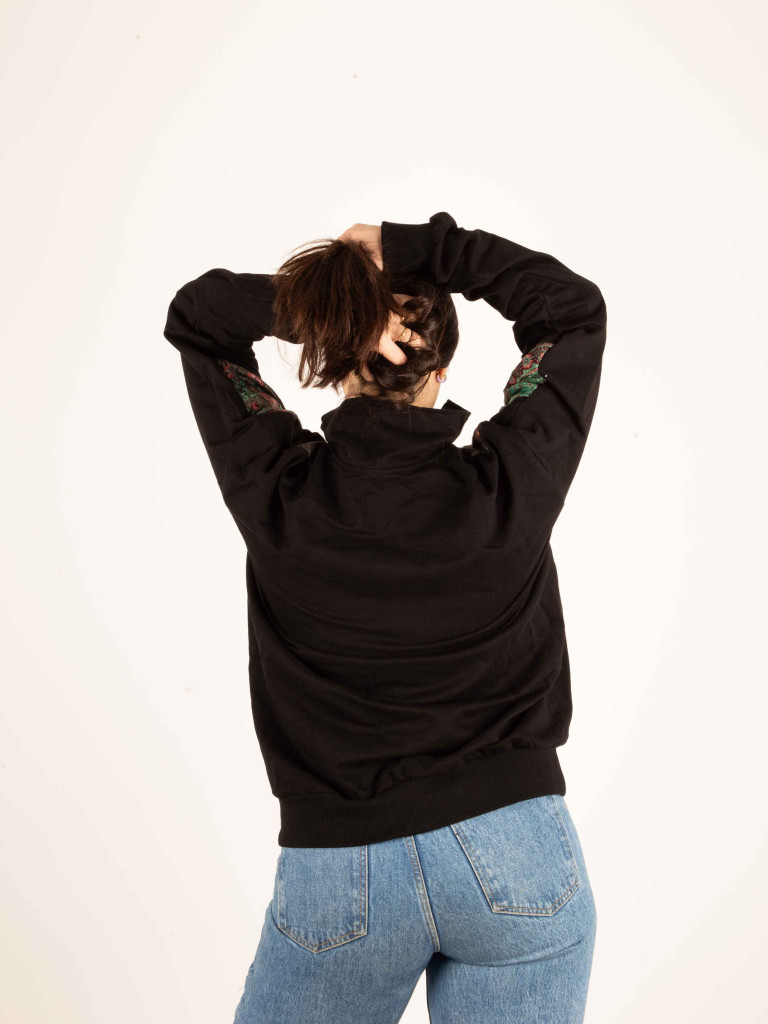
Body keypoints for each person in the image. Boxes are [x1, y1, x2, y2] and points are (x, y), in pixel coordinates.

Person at [163, 212, 607, 1023]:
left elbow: (199, 317)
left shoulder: (280, 493)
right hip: (519, 859)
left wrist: (337, 308)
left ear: (340, 363)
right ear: (441, 370)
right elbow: (573, 312)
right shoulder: (511, 484)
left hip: (343, 869)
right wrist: (423, 247)